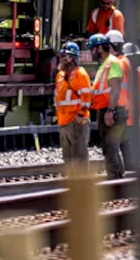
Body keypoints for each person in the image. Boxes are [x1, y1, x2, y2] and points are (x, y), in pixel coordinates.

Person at [88, 33, 126, 177]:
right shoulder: (104, 65)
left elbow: (115, 88)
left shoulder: (112, 63)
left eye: (92, 49)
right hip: (105, 109)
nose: (91, 53)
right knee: (110, 147)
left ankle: (115, 181)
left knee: (110, 147)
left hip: (111, 110)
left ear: (99, 48)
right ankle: (118, 180)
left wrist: (110, 111)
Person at [54, 41, 92, 166]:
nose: (64, 59)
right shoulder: (60, 75)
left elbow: (86, 97)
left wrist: (80, 116)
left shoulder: (80, 74)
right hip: (63, 121)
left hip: (76, 120)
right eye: (62, 56)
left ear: (73, 58)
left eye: (67, 56)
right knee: (68, 159)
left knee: (79, 157)